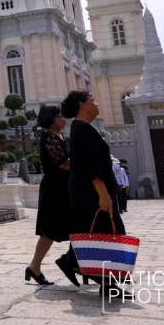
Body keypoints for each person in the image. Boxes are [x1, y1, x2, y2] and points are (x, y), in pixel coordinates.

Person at [63, 90, 128, 299]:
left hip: (89, 191)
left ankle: (105, 280)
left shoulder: (84, 129)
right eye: (92, 100)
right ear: (82, 105)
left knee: (104, 235)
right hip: (91, 193)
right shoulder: (82, 129)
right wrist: (103, 193)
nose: (97, 104)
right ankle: (104, 279)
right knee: (106, 234)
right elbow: (90, 165)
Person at [25, 104, 74, 286]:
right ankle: (35, 266)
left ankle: (72, 261)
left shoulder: (58, 136)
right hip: (56, 188)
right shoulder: (49, 138)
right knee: (51, 230)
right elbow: (63, 163)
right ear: (51, 120)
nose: (64, 119)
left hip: (63, 186)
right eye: (60, 116)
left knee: (68, 227)